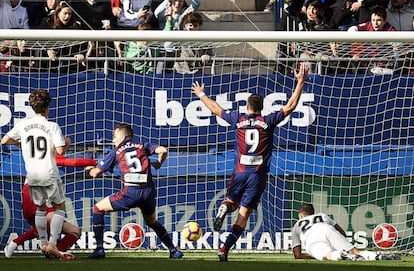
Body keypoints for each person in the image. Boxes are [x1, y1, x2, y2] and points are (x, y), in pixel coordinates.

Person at [191, 65, 309, 262]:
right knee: (244, 214)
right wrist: (301, 81)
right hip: (257, 175)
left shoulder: (238, 119)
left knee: (231, 201)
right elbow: (291, 106)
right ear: (262, 108)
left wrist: (201, 94)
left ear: (247, 107)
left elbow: (215, 109)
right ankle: (224, 249)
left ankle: (225, 207)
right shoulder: (268, 121)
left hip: (239, 171)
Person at [87, 123, 183, 259]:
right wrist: (159, 164)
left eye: (114, 136)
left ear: (122, 135)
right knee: (152, 222)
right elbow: (163, 150)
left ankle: (99, 249)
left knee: (98, 208)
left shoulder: (117, 151)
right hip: (148, 193)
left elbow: (96, 173)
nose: (113, 140)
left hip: (130, 193)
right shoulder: (143, 145)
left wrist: (89, 170)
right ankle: (174, 251)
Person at [0, 89, 72, 260]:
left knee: (40, 209)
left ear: (32, 107)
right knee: (59, 207)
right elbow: (61, 150)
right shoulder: (52, 126)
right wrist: (67, 144)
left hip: (32, 174)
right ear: (47, 108)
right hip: (49, 172)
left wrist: (22, 142)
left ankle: (43, 241)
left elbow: (4, 140)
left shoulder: (23, 125)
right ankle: (53, 243)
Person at [4, 155, 97, 259]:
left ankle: (56, 252)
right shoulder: (46, 152)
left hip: (45, 197)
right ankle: (15, 242)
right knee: (50, 221)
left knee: (74, 231)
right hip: (32, 193)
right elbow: (73, 162)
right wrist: (95, 162)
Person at [291, 203, 400, 261]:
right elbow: (341, 232)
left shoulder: (297, 225)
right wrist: (341, 243)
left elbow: (297, 255)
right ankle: (376, 256)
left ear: (300, 215)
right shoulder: (322, 216)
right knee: (355, 252)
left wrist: (313, 255)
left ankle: (341, 255)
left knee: (327, 256)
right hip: (328, 229)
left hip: (312, 239)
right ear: (312, 212)